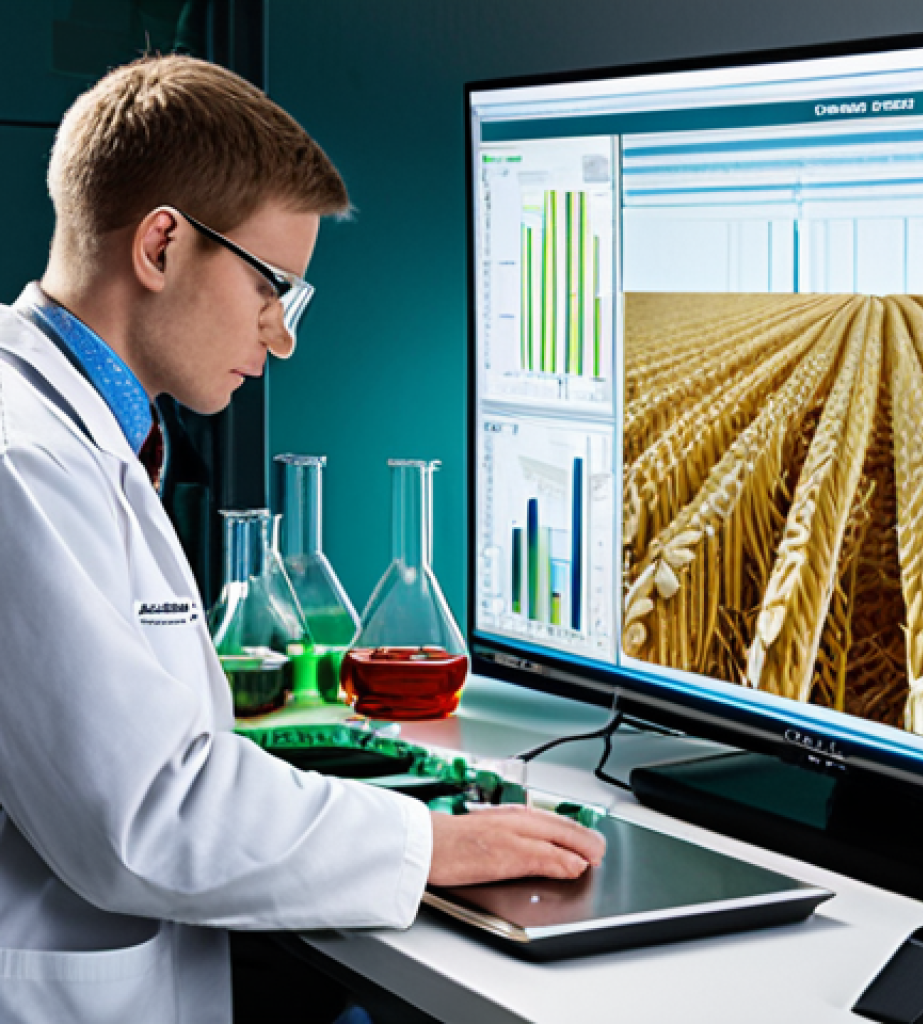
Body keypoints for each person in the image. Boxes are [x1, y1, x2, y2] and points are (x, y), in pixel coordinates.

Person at [0, 55, 604, 1024]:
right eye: (271, 286)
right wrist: (435, 841)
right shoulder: (23, 464)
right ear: (160, 246)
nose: (281, 337)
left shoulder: (74, 437)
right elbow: (146, 819)